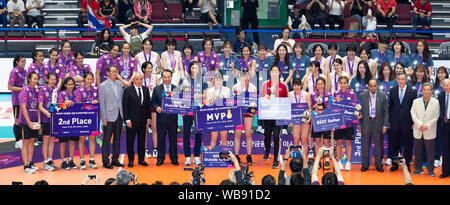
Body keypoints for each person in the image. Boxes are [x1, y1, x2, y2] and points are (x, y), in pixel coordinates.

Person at [260, 65, 289, 168]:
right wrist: (266, 96)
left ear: (280, 73)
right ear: (270, 72)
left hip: (278, 115)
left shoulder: (284, 85)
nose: (275, 73)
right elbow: (261, 100)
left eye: (277, 71)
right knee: (267, 134)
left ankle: (276, 160)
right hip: (268, 115)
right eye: (273, 71)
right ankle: (267, 151)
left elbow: (286, 100)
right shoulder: (265, 84)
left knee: (276, 136)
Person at [357, 79, 389, 172]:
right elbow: (358, 110)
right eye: (371, 86)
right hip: (366, 122)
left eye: (374, 86)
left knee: (379, 145)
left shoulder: (383, 96)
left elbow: (386, 111)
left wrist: (385, 125)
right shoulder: (362, 96)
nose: (373, 88)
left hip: (378, 123)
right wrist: (359, 123)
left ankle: (379, 165)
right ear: (368, 86)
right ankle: (365, 164)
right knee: (365, 145)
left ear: (377, 86)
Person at [389, 72, 416, 171]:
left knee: (408, 143)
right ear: (397, 80)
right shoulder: (392, 91)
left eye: (403, 79)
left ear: (406, 80)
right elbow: (390, 107)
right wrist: (389, 121)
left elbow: (414, 108)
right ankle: (394, 163)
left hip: (407, 122)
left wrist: (413, 122)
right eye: (399, 79)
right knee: (394, 143)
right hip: (395, 122)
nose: (401, 81)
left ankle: (407, 163)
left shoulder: (412, 92)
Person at [123, 72, 151, 167]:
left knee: (142, 141)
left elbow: (147, 105)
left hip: (143, 121)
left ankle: (141, 160)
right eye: (137, 79)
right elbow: (125, 106)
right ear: (133, 80)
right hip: (131, 121)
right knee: (130, 141)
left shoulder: (146, 90)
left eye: (141, 79)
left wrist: (148, 117)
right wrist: (127, 120)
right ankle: (131, 160)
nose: (139, 81)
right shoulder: (128, 90)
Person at [411, 83, 440, 176]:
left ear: (431, 91)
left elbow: (436, 116)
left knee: (430, 152)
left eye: (428, 90)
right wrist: (420, 125)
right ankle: (418, 169)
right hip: (418, 130)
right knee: (417, 151)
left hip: (429, 130)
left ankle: (430, 170)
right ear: (422, 91)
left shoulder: (436, 102)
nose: (426, 91)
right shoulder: (415, 102)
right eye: (425, 89)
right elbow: (413, 114)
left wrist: (426, 126)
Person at [179, 61, 205, 166]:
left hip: (199, 110)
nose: (194, 70)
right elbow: (180, 95)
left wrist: (200, 95)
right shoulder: (185, 81)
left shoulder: (202, 81)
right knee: (186, 134)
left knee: (199, 134)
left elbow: (207, 93)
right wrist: (181, 109)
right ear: (190, 69)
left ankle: (197, 157)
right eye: (192, 68)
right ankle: (188, 157)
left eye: (196, 68)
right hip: (188, 111)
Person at [99, 65, 124, 169]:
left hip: (119, 115)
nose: (114, 73)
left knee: (117, 138)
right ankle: (105, 161)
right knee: (107, 139)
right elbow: (102, 102)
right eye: (112, 71)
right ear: (108, 73)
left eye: (116, 71)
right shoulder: (103, 86)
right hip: (108, 116)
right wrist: (104, 117)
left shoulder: (120, 84)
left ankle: (115, 159)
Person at [152, 70, 179, 166]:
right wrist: (156, 107)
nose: (167, 79)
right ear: (162, 78)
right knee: (161, 140)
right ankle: (160, 159)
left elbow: (181, 103)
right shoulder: (157, 89)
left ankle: (174, 158)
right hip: (161, 119)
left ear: (171, 77)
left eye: (169, 77)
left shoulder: (177, 89)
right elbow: (153, 102)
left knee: (173, 140)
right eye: (165, 77)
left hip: (173, 119)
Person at [74, 71, 99, 170]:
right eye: (87, 79)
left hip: (93, 117)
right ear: (84, 79)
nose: (89, 81)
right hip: (82, 118)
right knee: (82, 139)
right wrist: (90, 105)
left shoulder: (96, 90)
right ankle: (82, 160)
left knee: (92, 139)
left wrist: (96, 103)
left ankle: (92, 159)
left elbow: (98, 104)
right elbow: (78, 105)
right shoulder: (79, 91)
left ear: (93, 80)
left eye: (91, 79)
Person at [232, 71, 257, 165]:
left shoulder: (253, 88)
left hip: (248, 113)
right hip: (238, 113)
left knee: (248, 134)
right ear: (240, 78)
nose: (244, 78)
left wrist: (252, 113)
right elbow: (233, 101)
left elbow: (254, 103)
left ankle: (249, 156)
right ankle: (237, 156)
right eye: (242, 77)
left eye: (246, 77)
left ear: (248, 78)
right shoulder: (235, 87)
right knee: (237, 134)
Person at [334, 76, 357, 170]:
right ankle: (339, 162)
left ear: (348, 84)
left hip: (349, 123)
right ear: (339, 84)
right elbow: (333, 108)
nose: (343, 85)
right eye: (341, 83)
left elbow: (355, 107)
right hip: (339, 123)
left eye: (345, 83)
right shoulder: (335, 94)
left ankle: (348, 163)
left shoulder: (352, 94)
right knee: (338, 142)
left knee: (348, 143)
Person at [19, 72, 40, 174]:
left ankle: (30, 162)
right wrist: (29, 122)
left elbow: (37, 107)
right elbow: (23, 108)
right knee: (26, 142)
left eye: (37, 79)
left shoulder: (36, 91)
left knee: (32, 141)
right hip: (25, 122)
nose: (36, 81)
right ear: (29, 79)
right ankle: (26, 165)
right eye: (34, 79)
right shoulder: (24, 90)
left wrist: (38, 121)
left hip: (34, 121)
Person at [310, 77, 332, 169]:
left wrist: (325, 106)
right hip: (317, 121)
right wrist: (314, 106)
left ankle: (327, 161)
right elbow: (311, 108)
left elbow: (331, 109)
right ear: (316, 86)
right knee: (318, 141)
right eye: (318, 84)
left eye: (321, 84)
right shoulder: (312, 96)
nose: (320, 86)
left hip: (326, 121)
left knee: (326, 142)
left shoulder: (329, 95)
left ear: (324, 84)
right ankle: (318, 160)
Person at [38, 73, 59, 171]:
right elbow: (40, 106)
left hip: (54, 118)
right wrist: (48, 113)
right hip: (46, 119)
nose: (53, 81)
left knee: (52, 139)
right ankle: (45, 161)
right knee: (46, 139)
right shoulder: (43, 90)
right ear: (47, 79)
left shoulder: (56, 90)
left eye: (55, 79)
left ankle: (50, 159)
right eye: (51, 79)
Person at [57, 77, 79, 170]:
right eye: (69, 84)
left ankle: (71, 160)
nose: (71, 86)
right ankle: (62, 161)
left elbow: (79, 105)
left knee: (72, 141)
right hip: (63, 122)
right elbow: (58, 107)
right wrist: (64, 103)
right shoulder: (61, 94)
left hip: (74, 122)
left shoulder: (76, 94)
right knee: (62, 142)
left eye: (72, 84)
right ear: (65, 85)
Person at [205, 72, 230, 148]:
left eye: (220, 79)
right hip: (213, 116)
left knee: (224, 140)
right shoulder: (209, 91)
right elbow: (207, 104)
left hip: (224, 117)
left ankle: (225, 158)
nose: (218, 81)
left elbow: (227, 103)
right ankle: (212, 158)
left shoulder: (227, 90)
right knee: (213, 139)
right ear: (214, 80)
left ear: (222, 80)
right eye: (216, 79)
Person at [9, 54, 27, 149]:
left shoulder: (24, 71)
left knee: (23, 120)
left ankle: (23, 140)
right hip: (17, 100)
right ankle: (17, 141)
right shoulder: (14, 72)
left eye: (25, 61)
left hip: (24, 100)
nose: (24, 63)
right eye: (22, 61)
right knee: (17, 120)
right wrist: (22, 89)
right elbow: (10, 87)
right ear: (17, 62)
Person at [142, 62, 160, 158]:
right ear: (144, 69)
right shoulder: (140, 77)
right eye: (148, 68)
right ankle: (144, 149)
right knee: (144, 128)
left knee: (154, 127)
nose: (150, 70)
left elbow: (159, 90)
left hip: (153, 103)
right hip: (143, 104)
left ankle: (156, 148)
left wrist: (153, 97)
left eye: (151, 68)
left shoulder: (155, 77)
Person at [289, 79, 312, 148]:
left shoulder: (306, 94)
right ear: (292, 86)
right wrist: (289, 120)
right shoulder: (289, 94)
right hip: (295, 120)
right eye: (295, 85)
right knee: (296, 139)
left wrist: (309, 118)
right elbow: (287, 108)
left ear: (301, 85)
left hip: (304, 119)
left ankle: (304, 158)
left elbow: (310, 108)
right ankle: (297, 158)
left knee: (304, 139)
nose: (296, 87)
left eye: (298, 85)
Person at [438, 79, 450, 178]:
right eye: (444, 85)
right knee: (445, 149)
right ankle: (445, 171)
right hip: (445, 125)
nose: (446, 87)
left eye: (448, 85)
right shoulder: (441, 95)